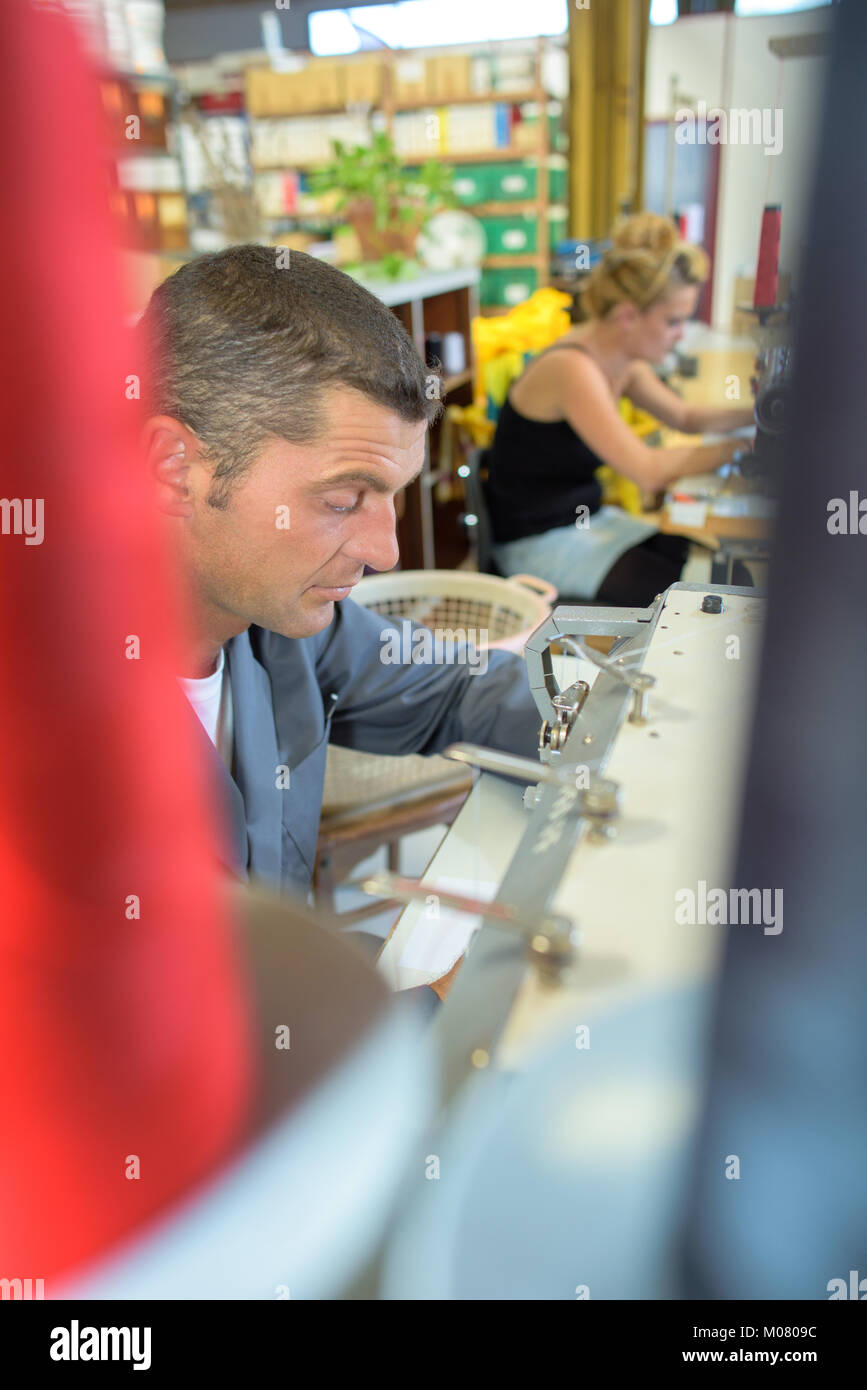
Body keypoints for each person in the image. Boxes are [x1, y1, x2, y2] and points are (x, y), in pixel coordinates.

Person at [138, 244, 541, 924]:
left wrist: (613, 721)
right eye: (341, 500)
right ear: (174, 469)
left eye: (390, 497)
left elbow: (455, 686)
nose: (384, 554)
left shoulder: (278, 623)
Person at [486, 213, 756, 606]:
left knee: (697, 559)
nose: (682, 334)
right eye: (673, 321)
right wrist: (741, 450)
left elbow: (684, 417)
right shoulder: (574, 368)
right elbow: (647, 471)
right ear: (629, 315)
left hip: (585, 521)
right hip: (537, 540)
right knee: (682, 594)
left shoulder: (621, 359)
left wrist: (758, 415)